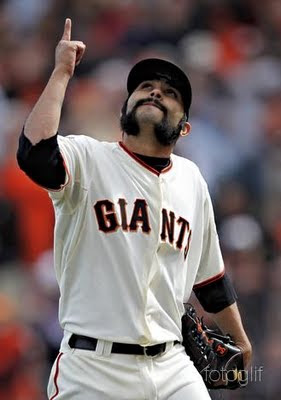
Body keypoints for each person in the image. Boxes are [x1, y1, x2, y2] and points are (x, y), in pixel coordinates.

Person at [17, 18, 252, 400]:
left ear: (185, 127)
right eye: (145, 87)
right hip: (93, 366)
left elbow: (211, 282)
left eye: (169, 93)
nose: (155, 93)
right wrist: (61, 73)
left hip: (172, 365)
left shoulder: (192, 180)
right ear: (123, 109)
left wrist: (242, 341)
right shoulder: (88, 158)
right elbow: (34, 154)